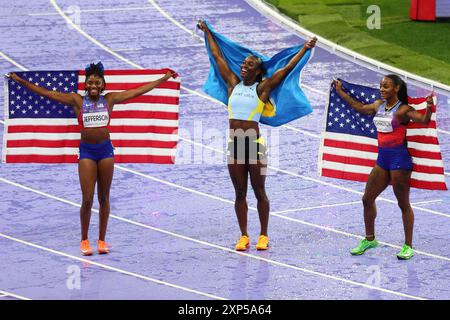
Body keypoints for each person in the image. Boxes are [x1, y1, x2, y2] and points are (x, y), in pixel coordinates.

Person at [8, 63, 177, 256]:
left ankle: (102, 240)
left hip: (105, 152)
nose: (94, 83)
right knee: (87, 200)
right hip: (87, 152)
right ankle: (84, 239)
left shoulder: (110, 99)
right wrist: (20, 80)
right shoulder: (76, 100)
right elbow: (47, 93)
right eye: (91, 81)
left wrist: (163, 79)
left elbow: (137, 91)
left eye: (98, 81)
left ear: (103, 85)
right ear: (86, 85)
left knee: (104, 197)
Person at [198, 20, 317, 251]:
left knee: (259, 191)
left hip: (254, 146)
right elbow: (218, 57)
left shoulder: (262, 90)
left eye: (249, 64)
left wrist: (305, 48)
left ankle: (263, 235)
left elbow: (286, 69)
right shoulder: (232, 84)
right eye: (243, 63)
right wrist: (208, 32)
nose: (243, 66)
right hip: (235, 146)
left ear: (258, 70)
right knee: (240, 193)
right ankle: (244, 235)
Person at [332, 75, 433, 260]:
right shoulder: (378, 105)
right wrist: (340, 91)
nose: (382, 89)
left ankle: (408, 246)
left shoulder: (403, 110)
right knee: (367, 198)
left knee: (403, 204)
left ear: (396, 88)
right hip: (382, 160)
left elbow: (423, 120)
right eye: (380, 86)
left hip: (399, 162)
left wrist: (429, 107)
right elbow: (359, 107)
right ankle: (370, 239)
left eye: (386, 86)